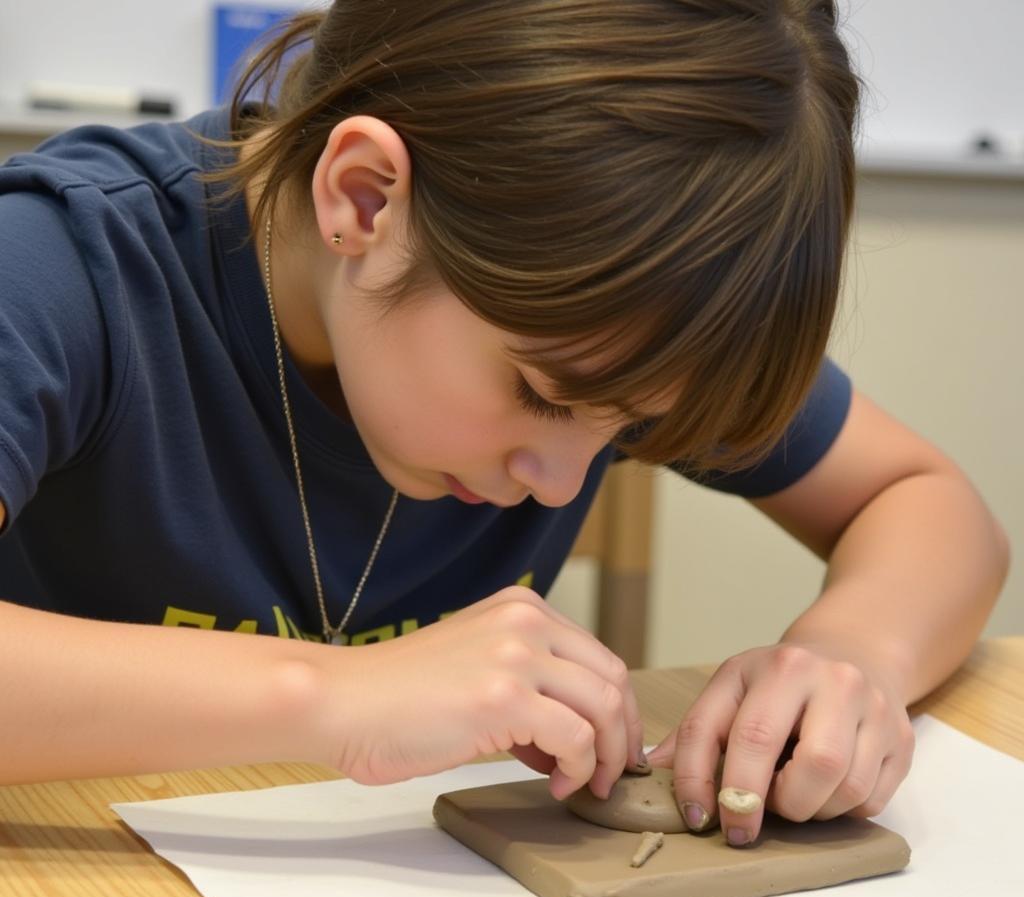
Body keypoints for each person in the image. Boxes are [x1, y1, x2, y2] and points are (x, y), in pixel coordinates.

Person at [0, 0, 1007, 850]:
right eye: (541, 392)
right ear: (365, 197)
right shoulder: (60, 270)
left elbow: (924, 502)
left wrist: (851, 655)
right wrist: (335, 695)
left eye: (628, 427)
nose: (566, 479)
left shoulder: (609, 318)